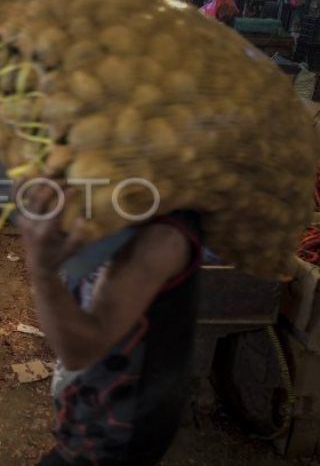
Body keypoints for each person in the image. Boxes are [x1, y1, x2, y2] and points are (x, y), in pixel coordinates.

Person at [17, 185, 202, 465]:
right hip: (89, 402)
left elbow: (79, 350)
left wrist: (42, 270)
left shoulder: (161, 239)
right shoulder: (114, 199)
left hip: (117, 431)